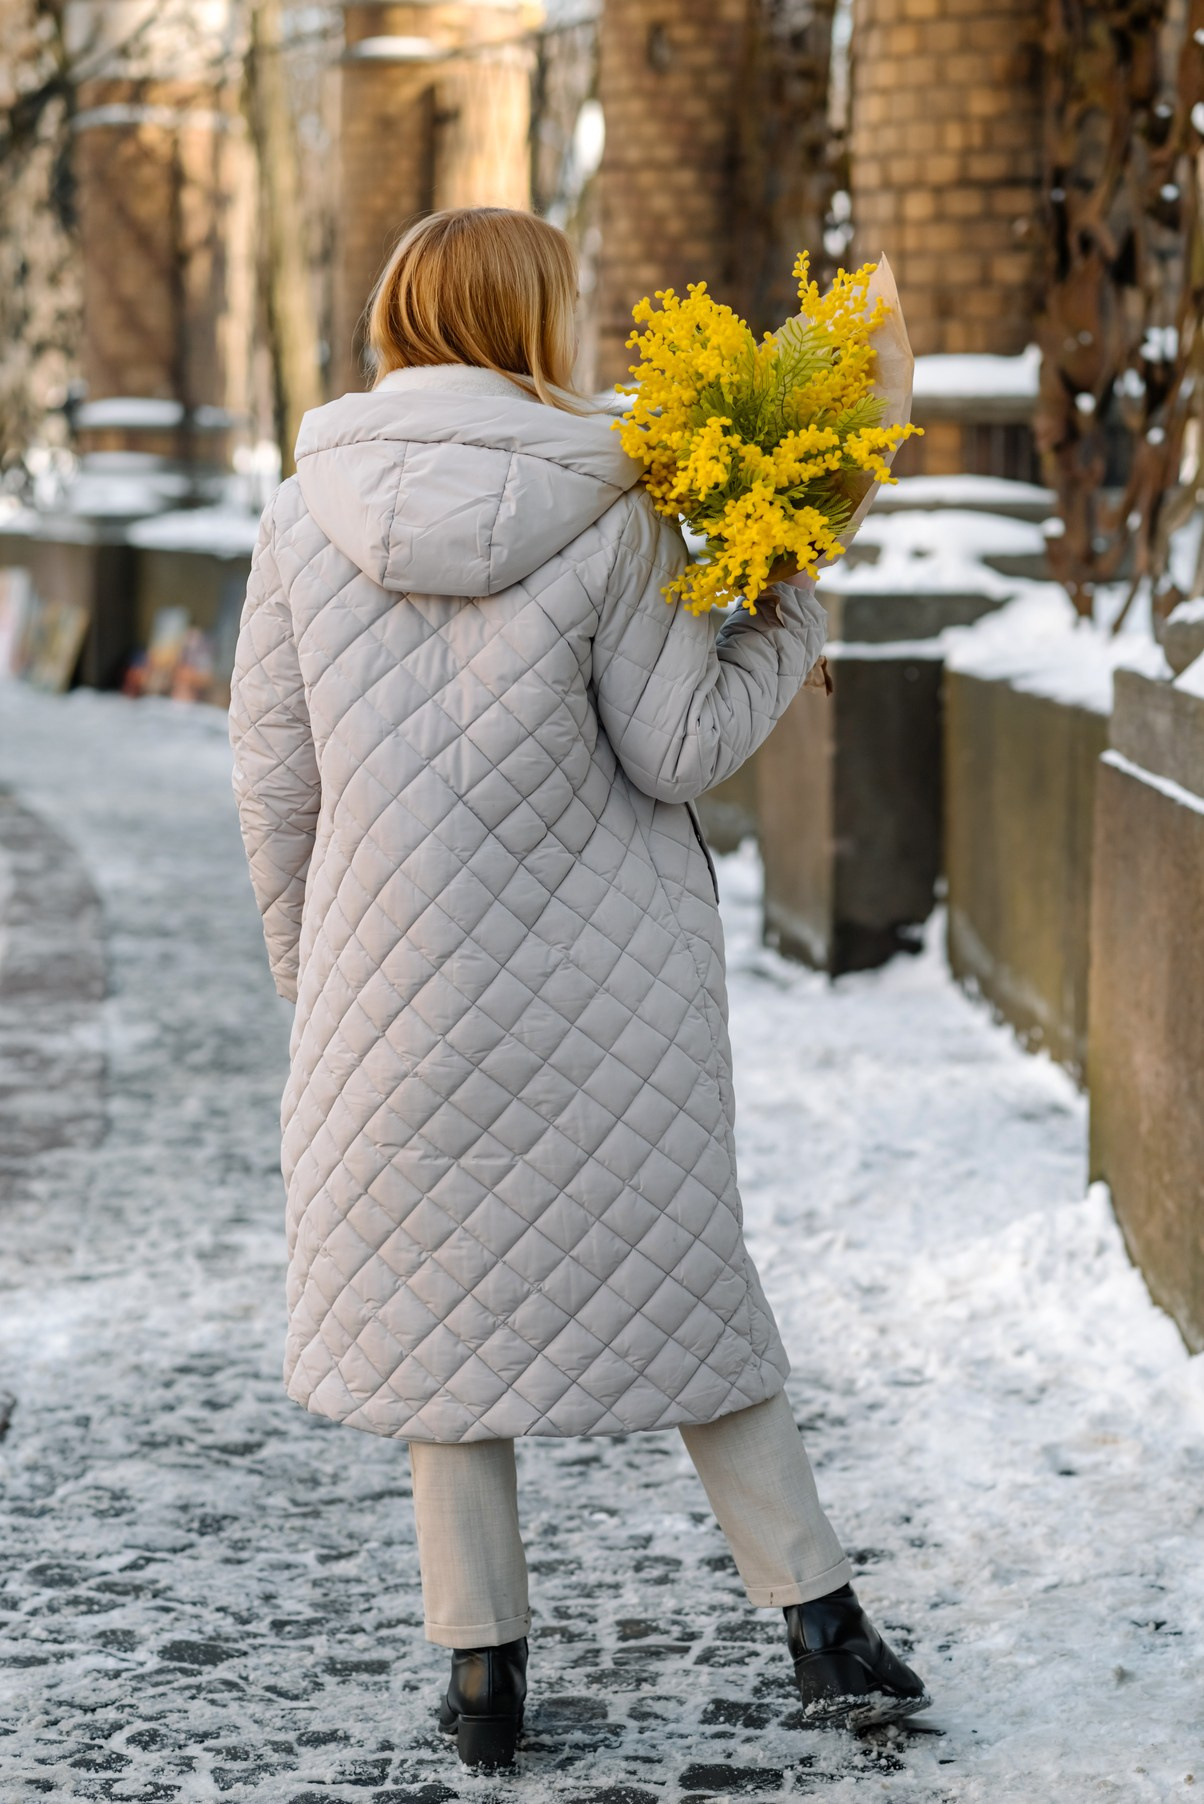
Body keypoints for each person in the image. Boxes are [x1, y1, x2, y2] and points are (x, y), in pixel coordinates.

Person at [228, 205, 929, 1771]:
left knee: (438, 1319)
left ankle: (482, 1671)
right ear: (535, 318)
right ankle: (823, 1625)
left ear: (403, 317)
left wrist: (316, 982)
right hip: (611, 1000)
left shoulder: (298, 514)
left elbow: (274, 785)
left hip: (391, 996)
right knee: (685, 1290)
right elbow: (677, 749)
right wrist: (787, 602)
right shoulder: (620, 506)